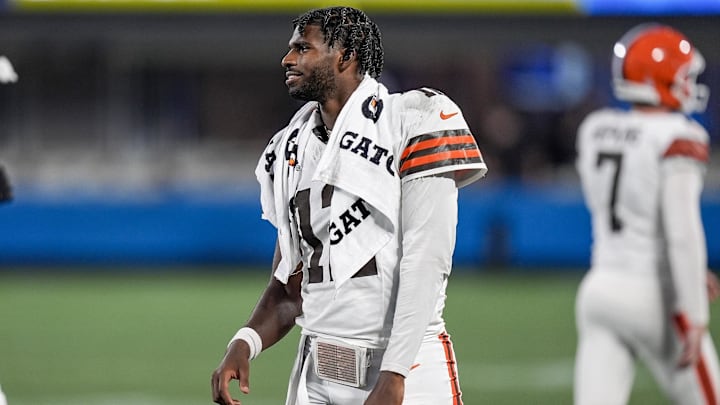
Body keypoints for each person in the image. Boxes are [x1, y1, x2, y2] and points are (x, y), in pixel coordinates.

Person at [210, 6, 487, 405]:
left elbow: (426, 264)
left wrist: (394, 376)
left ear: (346, 55)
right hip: (317, 373)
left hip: (409, 370)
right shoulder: (290, 148)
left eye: (303, 48)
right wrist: (245, 341)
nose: (288, 59)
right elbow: (290, 286)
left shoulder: (413, 119)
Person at [574, 23, 720, 404]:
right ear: (662, 78)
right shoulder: (678, 135)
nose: (690, 83)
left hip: (600, 288)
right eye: (685, 75)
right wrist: (694, 310)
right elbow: (681, 232)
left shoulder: (595, 129)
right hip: (654, 296)